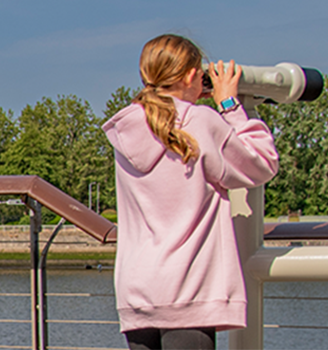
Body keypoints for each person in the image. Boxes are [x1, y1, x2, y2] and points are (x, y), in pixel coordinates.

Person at [101, 34, 279, 350]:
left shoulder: (127, 127)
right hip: (187, 288)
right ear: (191, 76)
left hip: (138, 290)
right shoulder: (199, 121)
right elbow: (261, 164)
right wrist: (229, 104)